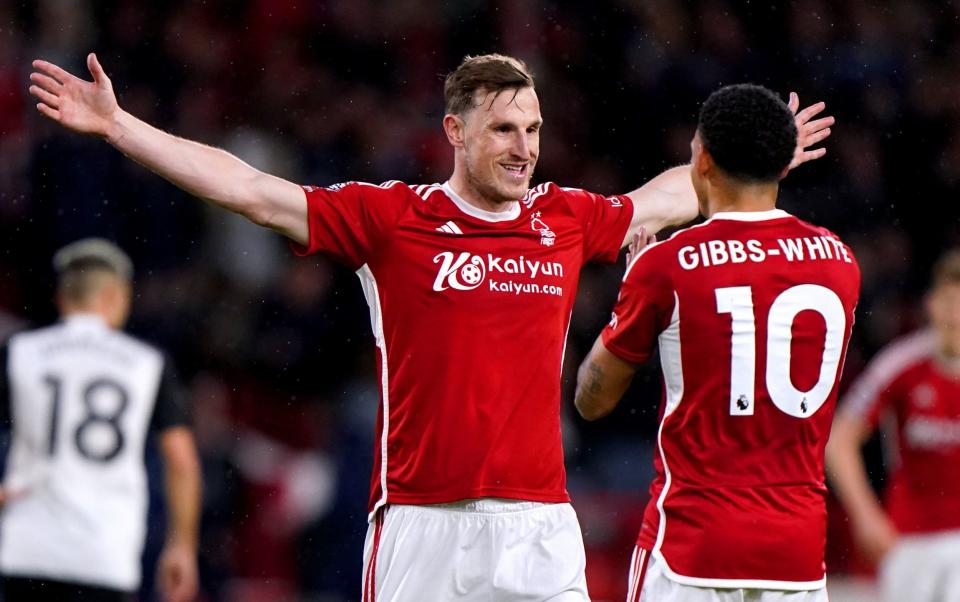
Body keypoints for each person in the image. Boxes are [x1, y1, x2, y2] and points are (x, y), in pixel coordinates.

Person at [27, 52, 831, 600]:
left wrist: (755, 168)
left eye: (535, 130)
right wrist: (122, 128)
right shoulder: (390, 219)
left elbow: (664, 198)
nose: (526, 150)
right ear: (455, 131)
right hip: (421, 524)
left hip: (540, 525)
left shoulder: (564, 219)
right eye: (506, 130)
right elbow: (249, 190)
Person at [574, 84, 860, 602]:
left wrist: (630, 296)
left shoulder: (665, 266)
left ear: (703, 158)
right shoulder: (840, 261)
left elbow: (591, 400)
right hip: (795, 556)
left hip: (692, 549)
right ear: (778, 162)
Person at [0, 239, 201, 602]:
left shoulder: (19, 352)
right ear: (114, 295)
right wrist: (181, 546)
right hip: (104, 552)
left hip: (28, 546)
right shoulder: (147, 364)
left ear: (62, 298)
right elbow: (182, 461)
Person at [826, 250, 960, 602]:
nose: (956, 315)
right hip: (910, 540)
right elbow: (839, 440)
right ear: (931, 305)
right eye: (949, 302)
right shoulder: (901, 365)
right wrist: (865, 514)